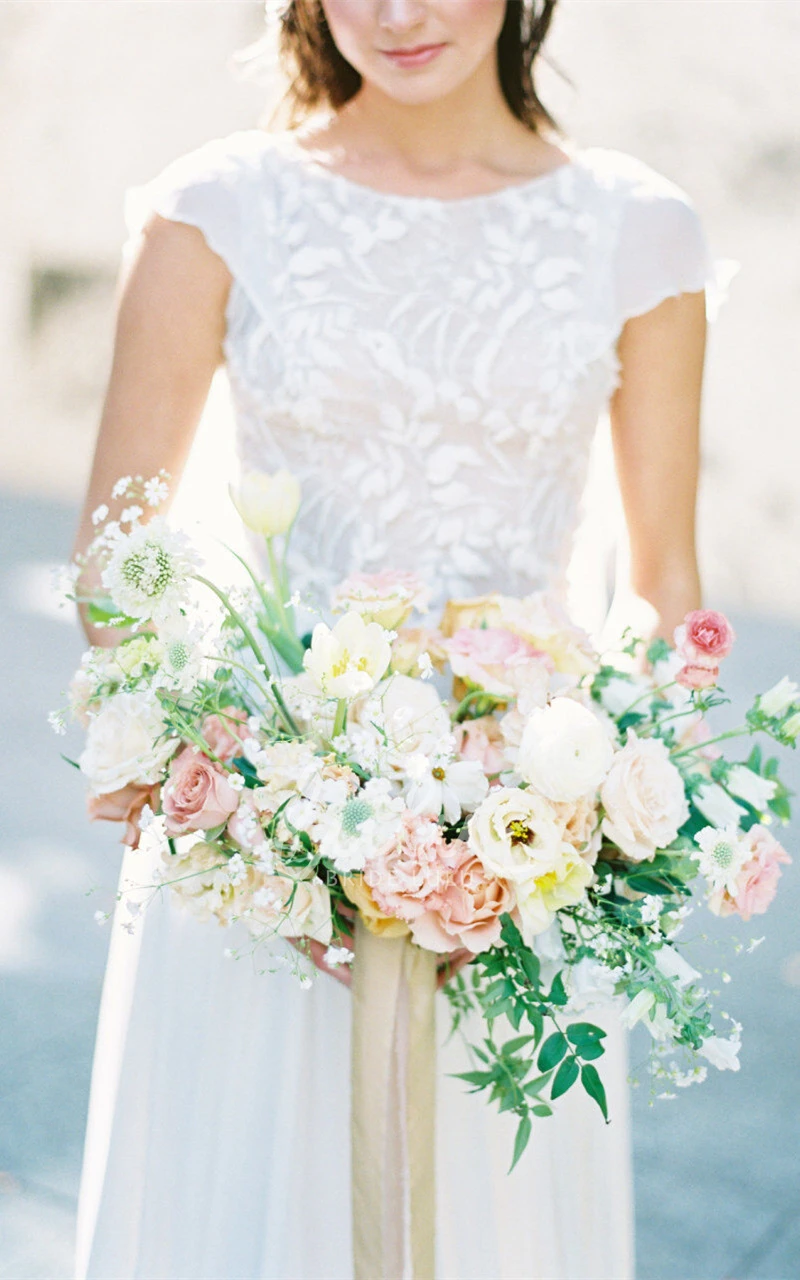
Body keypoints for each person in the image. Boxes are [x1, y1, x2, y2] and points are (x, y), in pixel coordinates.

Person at [72, 1, 713, 1276]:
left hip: (519, 860)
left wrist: (590, 804)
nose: (400, 15)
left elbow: (662, 586)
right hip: (257, 855)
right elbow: (113, 566)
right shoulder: (217, 209)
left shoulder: (636, 230)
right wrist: (256, 802)